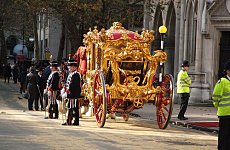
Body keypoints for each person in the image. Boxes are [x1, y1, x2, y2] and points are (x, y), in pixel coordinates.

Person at [212, 60, 230, 150]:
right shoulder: (222, 81)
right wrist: (218, 106)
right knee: (224, 135)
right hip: (224, 114)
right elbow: (215, 97)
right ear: (227, 71)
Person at [61, 59, 81, 125]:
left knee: (72, 107)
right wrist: (64, 89)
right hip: (71, 93)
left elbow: (73, 85)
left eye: (71, 66)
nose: (69, 67)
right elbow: (67, 83)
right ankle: (73, 121)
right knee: (72, 107)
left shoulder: (76, 74)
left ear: (75, 67)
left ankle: (70, 121)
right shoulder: (70, 74)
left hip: (73, 93)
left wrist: (67, 91)